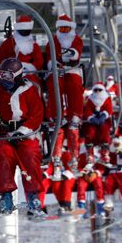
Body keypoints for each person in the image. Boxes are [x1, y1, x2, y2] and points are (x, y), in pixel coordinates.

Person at [0, 57, 45, 217]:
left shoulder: (29, 91)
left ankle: (33, 195)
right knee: (3, 155)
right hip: (4, 133)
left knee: (30, 155)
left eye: (7, 75)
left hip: (25, 134)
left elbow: (36, 114)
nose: (3, 79)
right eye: (1, 75)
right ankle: (6, 196)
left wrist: (23, 130)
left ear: (17, 75)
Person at [44, 15, 84, 176]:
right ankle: (56, 115)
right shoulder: (53, 41)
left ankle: (75, 115)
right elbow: (50, 56)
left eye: (66, 29)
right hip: (57, 71)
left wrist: (69, 57)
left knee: (74, 84)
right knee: (55, 84)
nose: (64, 32)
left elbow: (76, 54)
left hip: (72, 71)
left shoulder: (76, 40)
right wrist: (55, 63)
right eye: (62, 29)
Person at [0, 15, 44, 89]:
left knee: (33, 85)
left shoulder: (33, 45)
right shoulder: (9, 43)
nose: (25, 32)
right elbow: (0, 58)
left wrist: (30, 68)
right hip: (11, 73)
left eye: (27, 31)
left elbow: (39, 60)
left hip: (29, 73)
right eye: (23, 30)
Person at [82, 83, 113, 160]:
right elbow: (87, 109)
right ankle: (89, 152)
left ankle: (104, 152)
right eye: (96, 90)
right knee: (90, 132)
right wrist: (91, 117)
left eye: (100, 90)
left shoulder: (106, 98)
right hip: (93, 120)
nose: (98, 91)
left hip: (104, 120)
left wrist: (104, 116)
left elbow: (109, 108)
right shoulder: (90, 99)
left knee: (104, 131)